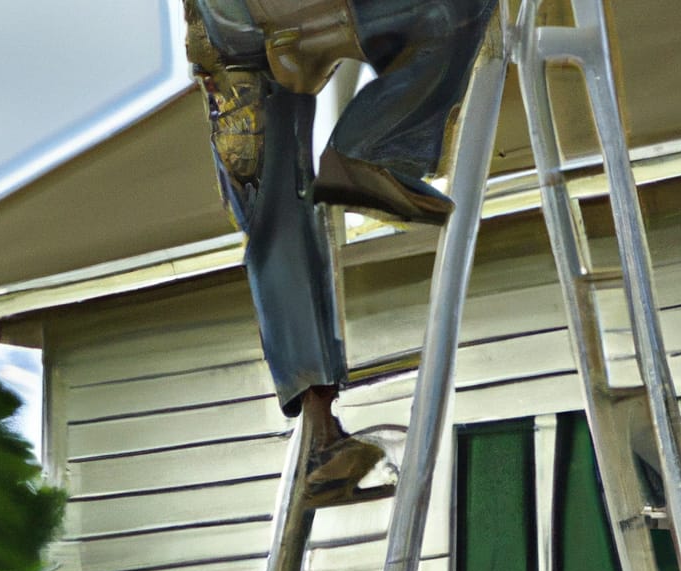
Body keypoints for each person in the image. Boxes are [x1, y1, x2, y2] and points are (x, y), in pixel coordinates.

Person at [183, 0, 497, 502]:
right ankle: (369, 149)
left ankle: (320, 434)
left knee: (275, 210)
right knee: (454, 11)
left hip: (241, 34)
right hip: (266, 21)